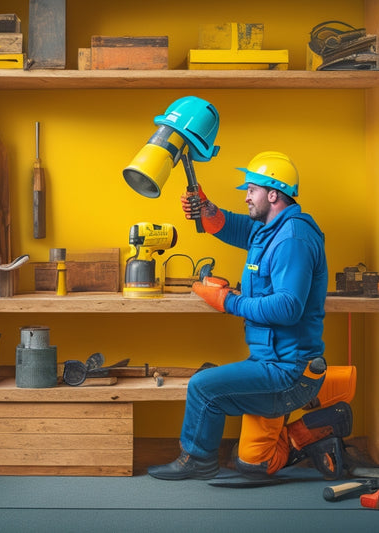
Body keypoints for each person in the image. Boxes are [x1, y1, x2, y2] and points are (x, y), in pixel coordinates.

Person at [148, 151, 353, 481]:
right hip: (269, 363)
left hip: (288, 373)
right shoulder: (269, 228)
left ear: (272, 195)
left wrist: (228, 300)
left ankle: (198, 460)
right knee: (248, 459)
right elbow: (236, 227)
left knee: (202, 387)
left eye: (252, 190)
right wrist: (208, 210)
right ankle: (305, 429)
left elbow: (288, 308)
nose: (245, 197)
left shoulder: (293, 238)